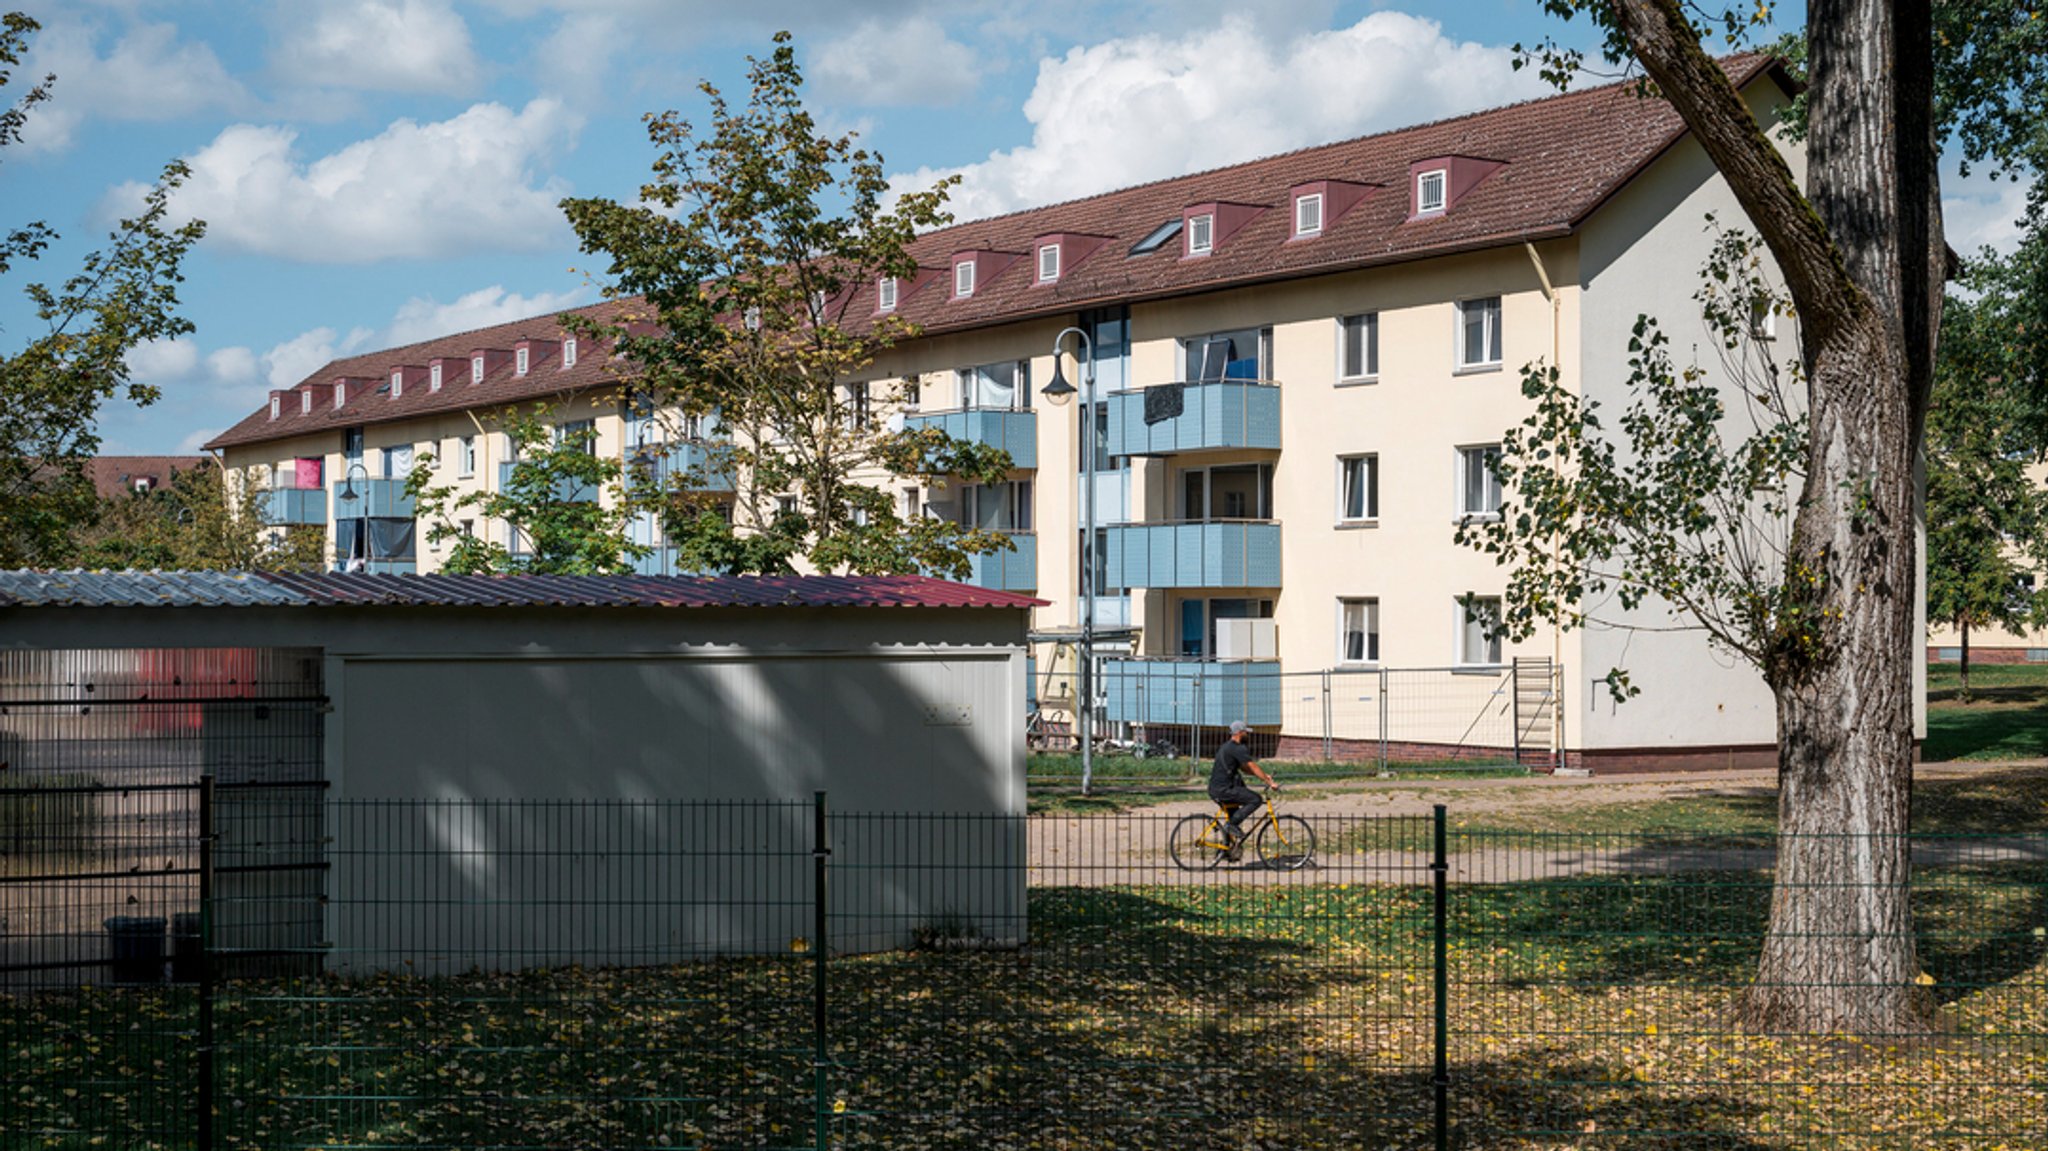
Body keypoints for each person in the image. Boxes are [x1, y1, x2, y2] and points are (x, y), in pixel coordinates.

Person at [1209, 720, 1278, 858]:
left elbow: (1245, 768)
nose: (1248, 735)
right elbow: (1252, 766)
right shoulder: (1237, 748)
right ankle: (1230, 827)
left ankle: (1225, 851)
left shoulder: (1228, 747)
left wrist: (1265, 776)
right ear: (1240, 733)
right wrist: (1269, 782)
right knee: (1255, 799)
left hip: (1217, 789)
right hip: (1224, 790)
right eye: (1246, 732)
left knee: (1233, 817)